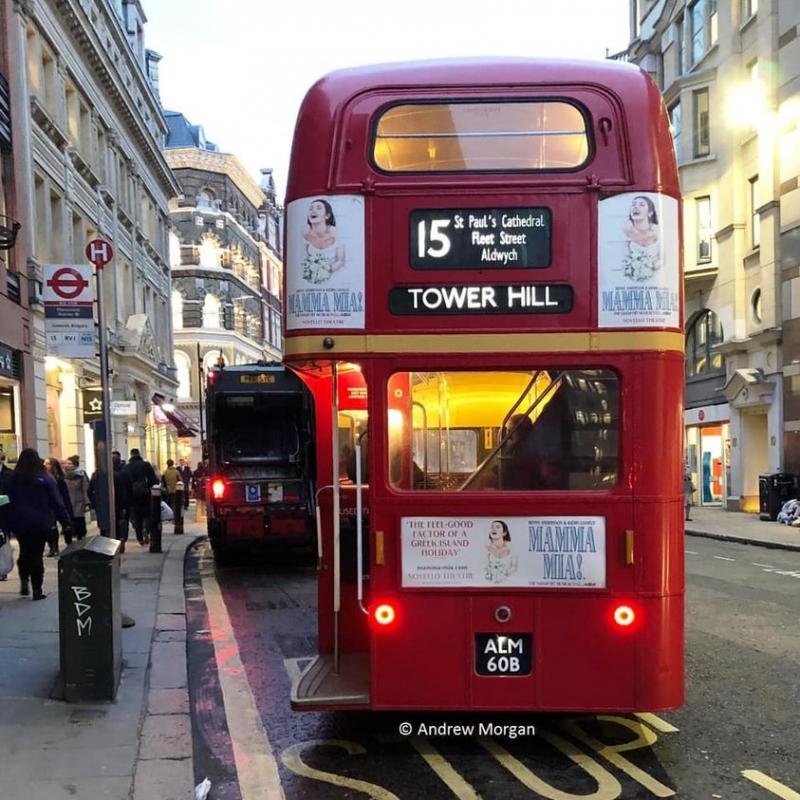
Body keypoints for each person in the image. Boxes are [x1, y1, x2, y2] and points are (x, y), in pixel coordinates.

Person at [1, 448, 71, 600]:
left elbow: (5, 501)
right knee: (37, 555)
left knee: (25, 551)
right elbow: (56, 502)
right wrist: (65, 521)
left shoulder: (11, 479)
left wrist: (5, 524)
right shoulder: (44, 479)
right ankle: (37, 589)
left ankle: (24, 578)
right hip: (41, 523)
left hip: (19, 523)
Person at [301, 198, 346, 283]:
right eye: (311, 208)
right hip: (314, 285)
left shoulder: (337, 235)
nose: (313, 211)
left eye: (318, 208)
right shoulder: (305, 236)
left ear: (327, 215)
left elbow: (341, 261)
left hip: (338, 283)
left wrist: (324, 271)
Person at [622, 195, 661, 282]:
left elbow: (666, 259)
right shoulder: (626, 231)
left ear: (650, 212)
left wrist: (652, 267)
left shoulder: (658, 232)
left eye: (641, 205)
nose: (636, 207)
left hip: (656, 281)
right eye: (633, 205)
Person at [124, 448, 158, 545]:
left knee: (136, 517)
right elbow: (153, 480)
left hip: (132, 495)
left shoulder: (127, 467)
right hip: (145, 493)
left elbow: (125, 482)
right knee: (147, 515)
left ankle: (140, 538)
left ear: (131, 455)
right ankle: (146, 530)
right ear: (139, 454)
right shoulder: (146, 465)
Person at [44, 457, 74, 556]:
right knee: (52, 527)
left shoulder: (60, 480)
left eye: (47, 463)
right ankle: (54, 548)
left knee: (66, 526)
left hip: (59, 505)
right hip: (49, 506)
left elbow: (65, 495)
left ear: (53, 466)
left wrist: (67, 508)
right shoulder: (44, 478)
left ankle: (69, 544)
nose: (45, 465)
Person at [64, 455, 90, 542]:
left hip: (78, 502)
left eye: (70, 463)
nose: (67, 465)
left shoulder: (81, 476)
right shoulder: (62, 477)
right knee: (68, 522)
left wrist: (87, 503)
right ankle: (69, 541)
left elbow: (85, 489)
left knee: (79, 521)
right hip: (67, 503)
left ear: (75, 465)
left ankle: (81, 538)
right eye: (66, 463)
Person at [484, 520, 518, 584]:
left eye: (498, 527)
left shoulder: (512, 548)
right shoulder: (486, 548)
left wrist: (504, 572)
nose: (494, 529)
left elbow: (514, 568)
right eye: (492, 527)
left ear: (504, 533)